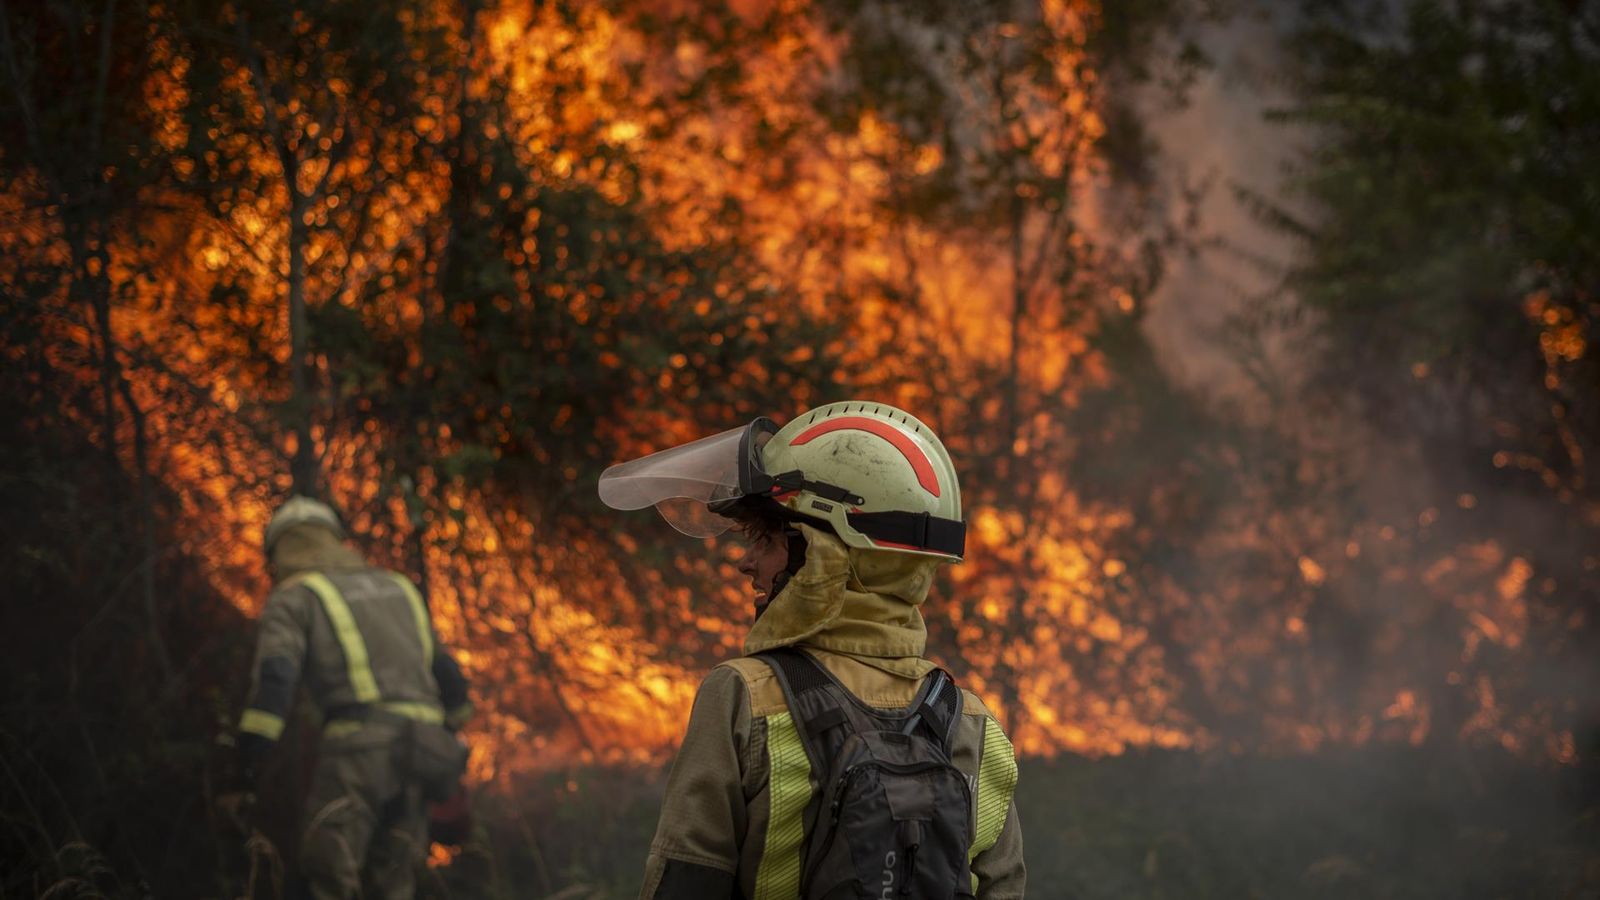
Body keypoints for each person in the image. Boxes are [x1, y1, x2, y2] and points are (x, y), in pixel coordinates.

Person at [599, 401, 1025, 899]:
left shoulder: (745, 697)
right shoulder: (972, 725)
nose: (746, 563)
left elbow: (685, 880)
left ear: (823, 553)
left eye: (766, 539)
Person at [222, 495, 473, 900]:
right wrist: (451, 735)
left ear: (278, 550)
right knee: (395, 880)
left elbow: (276, 681)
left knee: (330, 872)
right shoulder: (398, 587)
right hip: (424, 750)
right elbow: (449, 676)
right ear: (335, 538)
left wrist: (244, 769)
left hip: (360, 751)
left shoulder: (295, 596)